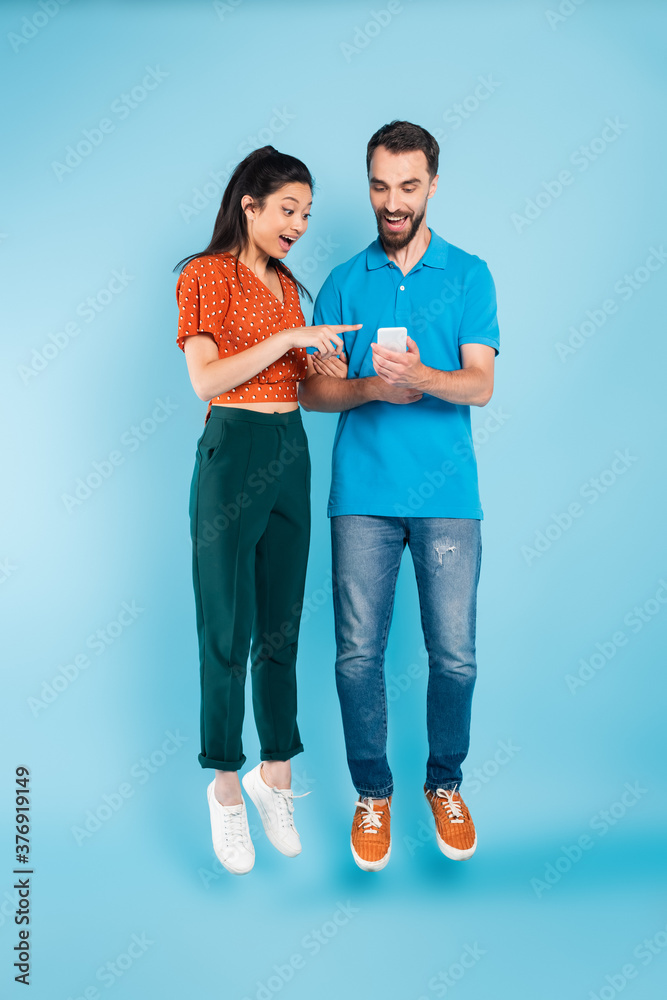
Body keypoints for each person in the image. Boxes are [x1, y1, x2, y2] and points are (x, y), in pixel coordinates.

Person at [299, 121, 500, 871]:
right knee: (357, 658)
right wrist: (369, 385)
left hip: (448, 494)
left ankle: (442, 784)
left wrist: (421, 379)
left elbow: (479, 383)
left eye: (407, 186)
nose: (392, 201)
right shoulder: (347, 279)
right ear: (369, 184)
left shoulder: (469, 274)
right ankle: (372, 795)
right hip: (362, 497)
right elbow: (314, 394)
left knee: (454, 660)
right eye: (380, 185)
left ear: (432, 186)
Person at [174, 145, 359, 874]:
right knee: (228, 623)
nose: (299, 225)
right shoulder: (203, 274)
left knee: (280, 622)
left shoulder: (288, 287)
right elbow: (205, 378)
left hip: (289, 449)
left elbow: (301, 386)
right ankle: (225, 786)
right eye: (288, 209)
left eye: (307, 214)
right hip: (233, 447)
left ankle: (274, 774)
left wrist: (321, 367)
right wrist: (287, 338)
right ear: (248, 205)